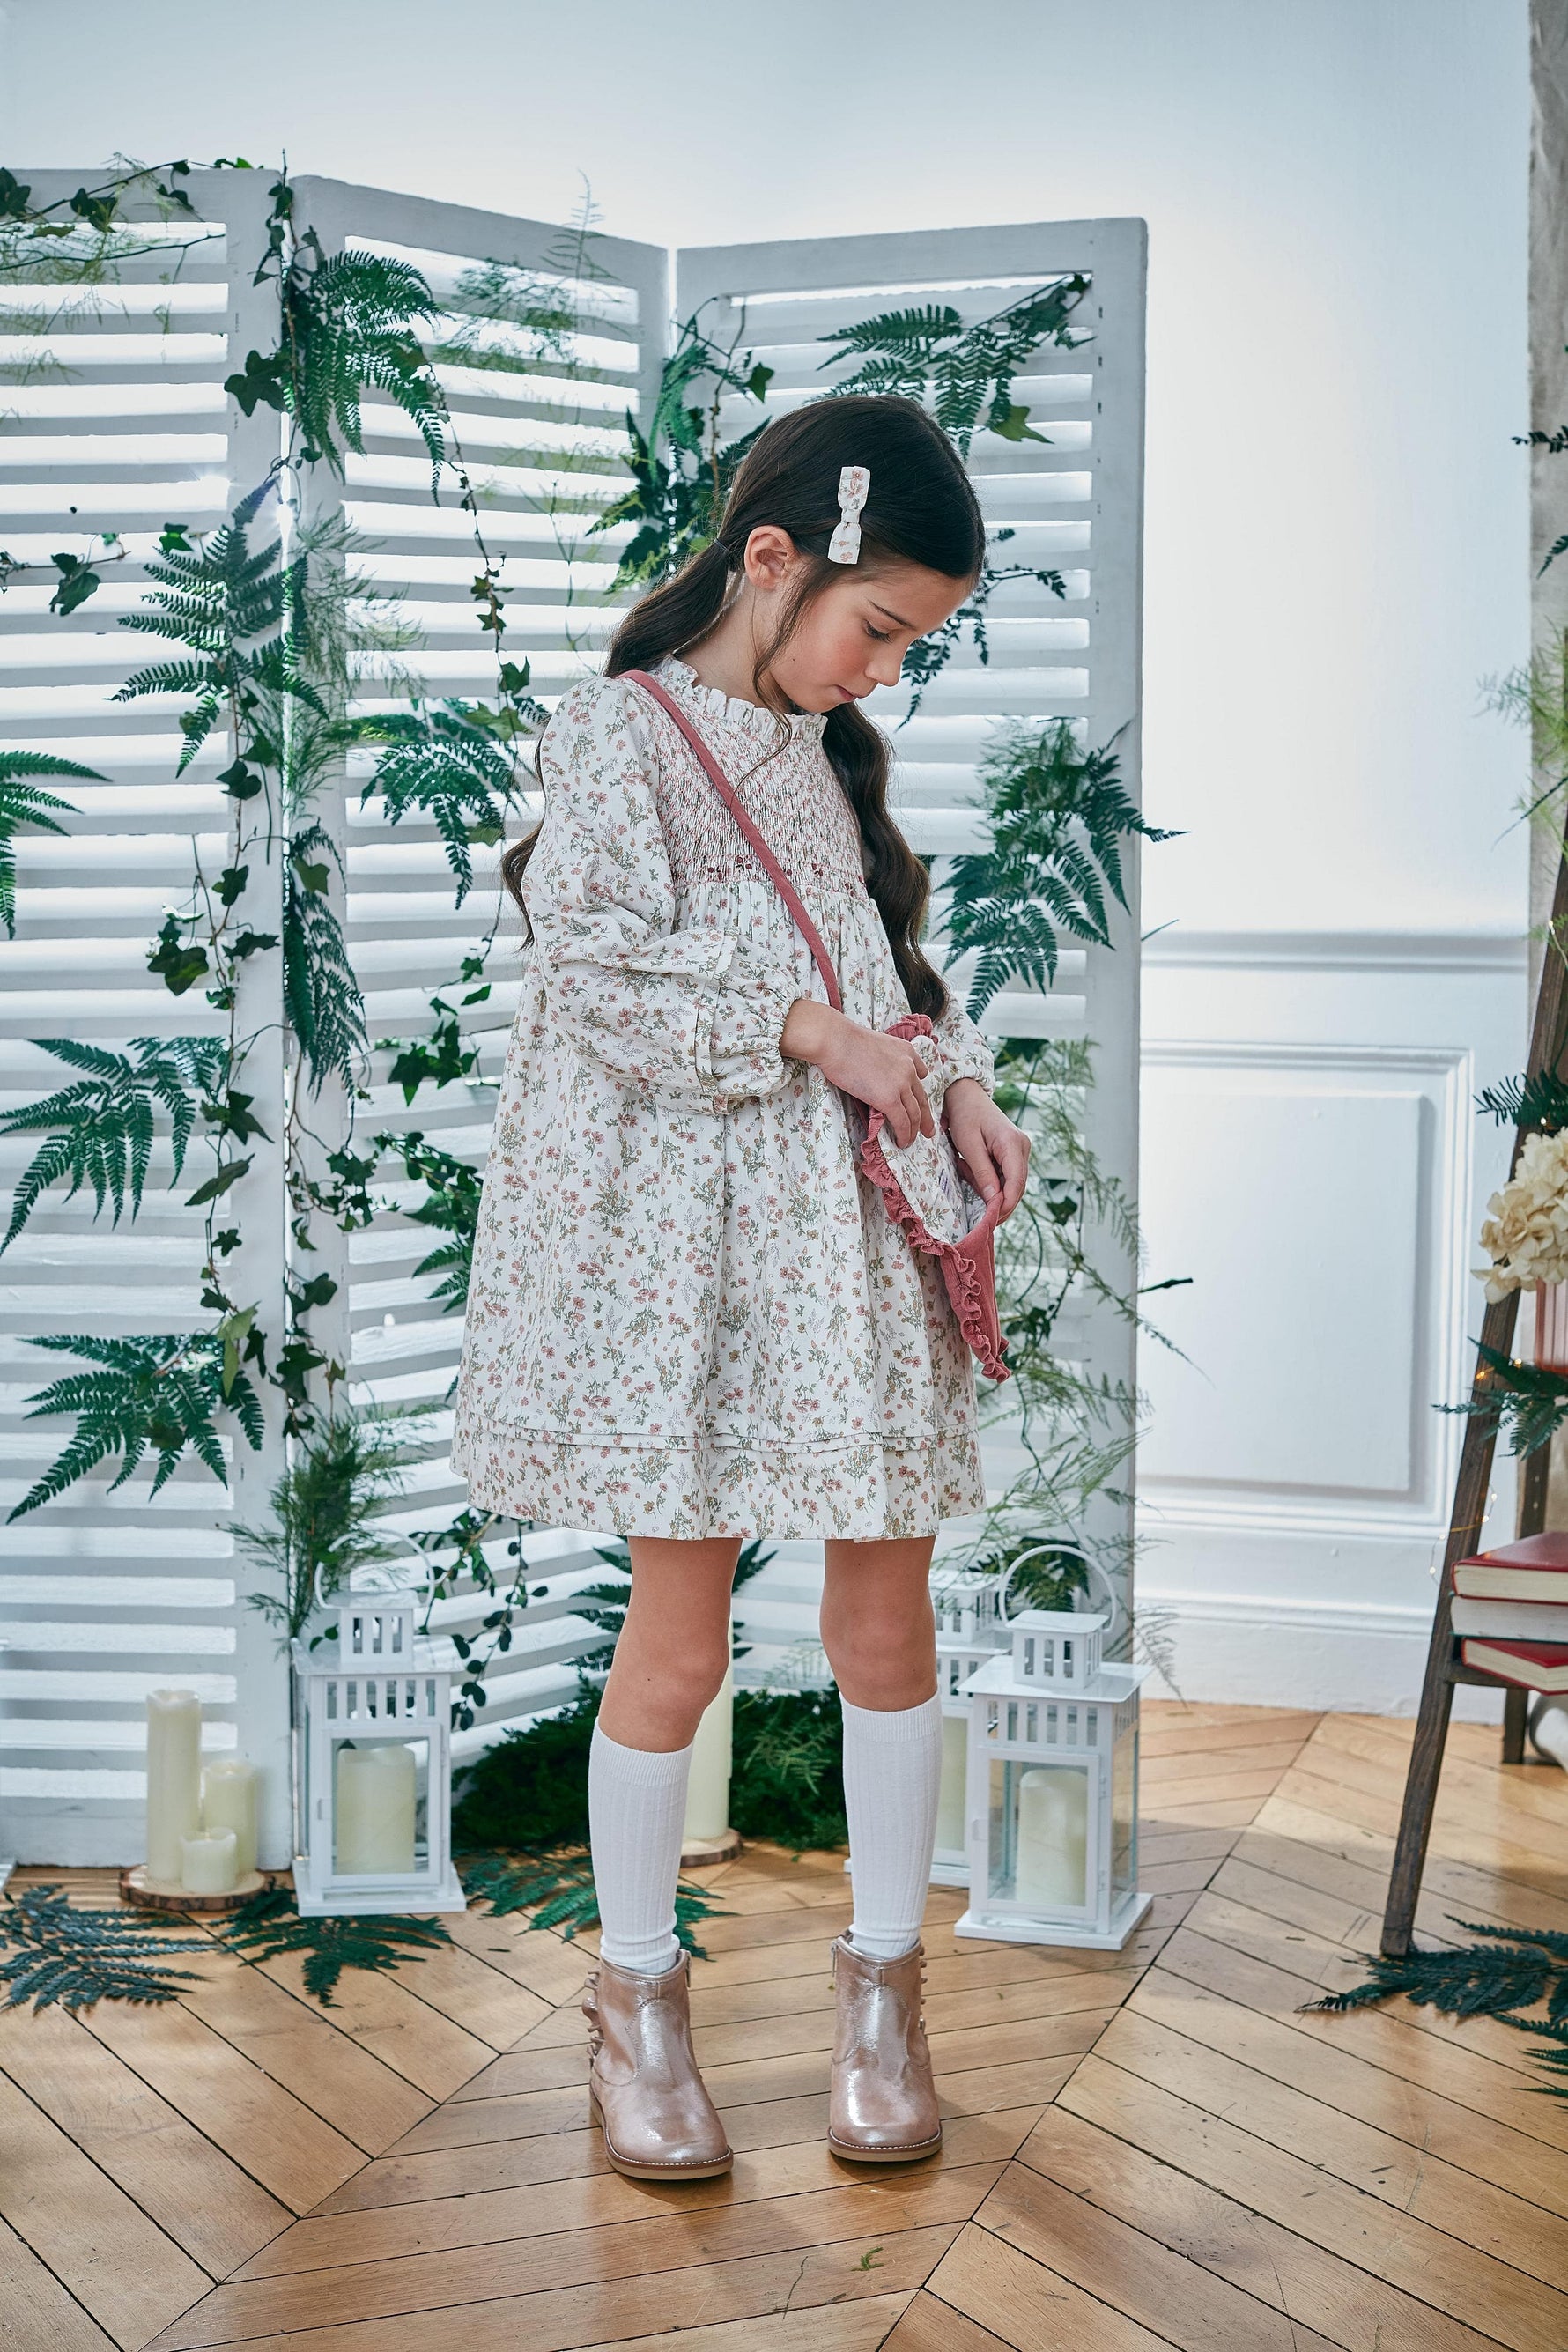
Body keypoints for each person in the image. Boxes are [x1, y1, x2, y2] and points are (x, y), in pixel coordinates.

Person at [453, 394, 1031, 2181]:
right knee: (679, 1636)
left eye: (912, 647)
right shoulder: (618, 738)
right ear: (769, 559)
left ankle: (882, 1992)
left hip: (841, 1247)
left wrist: (949, 1074)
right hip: (679, 1265)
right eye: (877, 627)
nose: (879, 672)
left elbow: (872, 971)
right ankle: (636, 2004)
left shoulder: (825, 756)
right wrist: (813, 1035)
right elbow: (601, 986)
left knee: (882, 1624)